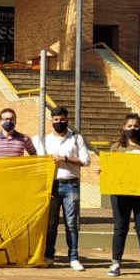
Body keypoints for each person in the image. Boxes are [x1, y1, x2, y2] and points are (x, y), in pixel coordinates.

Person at [32, 107, 90, 271]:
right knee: (51, 224)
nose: (59, 122)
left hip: (70, 184)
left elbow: (86, 161)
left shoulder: (76, 138)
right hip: (50, 185)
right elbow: (34, 161)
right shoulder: (42, 140)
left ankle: (73, 257)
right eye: (56, 120)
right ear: (51, 121)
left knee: (71, 223)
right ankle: (49, 256)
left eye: (62, 119)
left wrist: (65, 158)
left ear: (67, 119)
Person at [107, 113, 140, 280]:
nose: (132, 129)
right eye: (129, 126)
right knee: (120, 229)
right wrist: (103, 171)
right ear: (123, 127)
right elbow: (110, 169)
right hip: (120, 194)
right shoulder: (116, 147)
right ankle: (115, 263)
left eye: (136, 126)